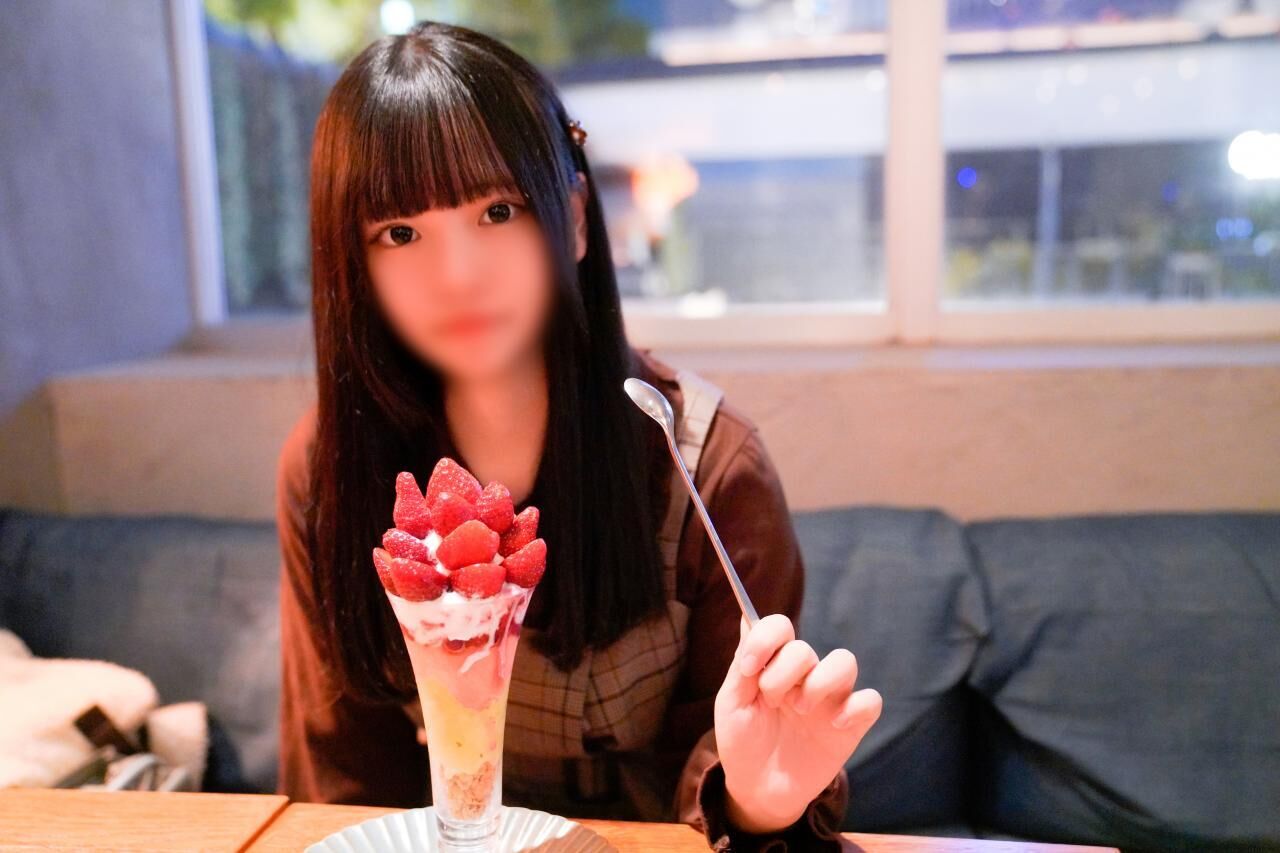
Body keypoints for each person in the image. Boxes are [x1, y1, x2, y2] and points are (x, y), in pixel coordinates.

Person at [275, 20, 882, 850]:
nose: (458, 274)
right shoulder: (329, 468)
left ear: (577, 219)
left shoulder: (709, 467)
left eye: (498, 210)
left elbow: (737, 768)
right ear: (350, 260)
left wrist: (755, 803)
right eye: (400, 232)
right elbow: (343, 778)